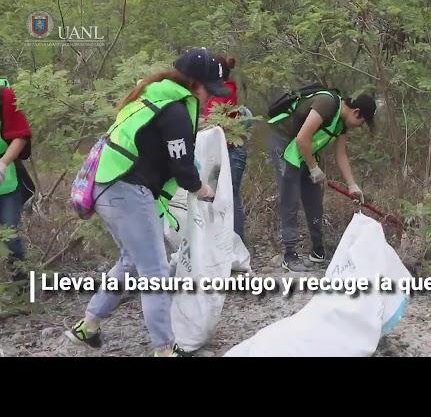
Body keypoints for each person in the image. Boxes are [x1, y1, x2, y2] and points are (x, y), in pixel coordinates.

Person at [64, 48, 230, 357]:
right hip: (125, 190)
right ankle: (164, 350)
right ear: (194, 83)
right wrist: (203, 189)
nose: (211, 98)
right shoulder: (176, 112)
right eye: (210, 90)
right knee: (155, 271)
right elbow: (182, 171)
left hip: (108, 184)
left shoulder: (155, 96)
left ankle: (87, 327)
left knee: (131, 261)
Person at [267, 85, 376, 272]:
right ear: (356, 112)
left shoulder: (342, 123)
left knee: (314, 196)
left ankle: (317, 251)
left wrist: (352, 185)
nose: (360, 127)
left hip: (301, 149)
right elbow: (302, 138)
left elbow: (341, 155)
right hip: (282, 140)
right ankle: (289, 254)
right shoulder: (328, 103)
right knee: (290, 196)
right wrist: (314, 168)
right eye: (362, 123)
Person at [202, 56, 252, 245]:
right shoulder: (221, 91)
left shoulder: (225, 92)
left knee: (230, 197)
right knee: (222, 197)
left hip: (231, 150)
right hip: (222, 150)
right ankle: (223, 243)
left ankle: (236, 245)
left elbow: (216, 124)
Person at [0, 78, 32, 282]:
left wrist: (3, 163)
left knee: (10, 239)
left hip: (6, 184)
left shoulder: (5, 96)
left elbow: (21, 136)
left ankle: (22, 289)